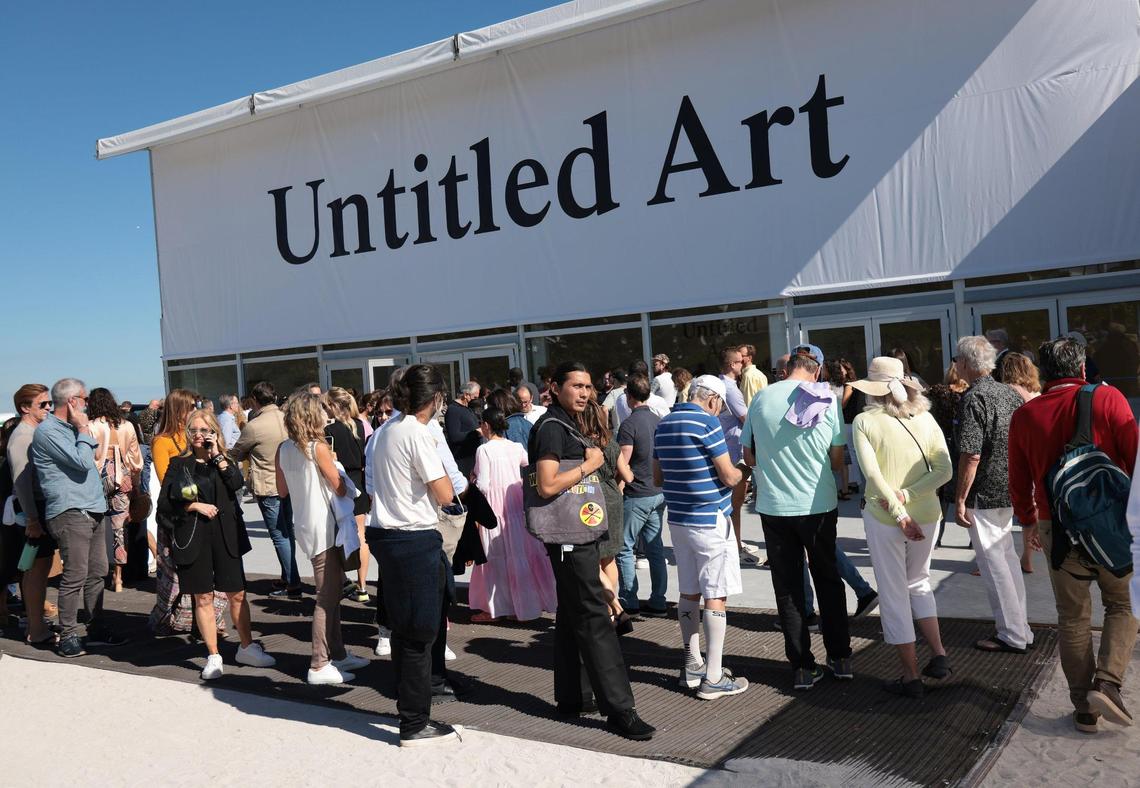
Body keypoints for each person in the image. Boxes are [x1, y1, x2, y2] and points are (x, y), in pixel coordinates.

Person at [1010, 337, 1138, 734]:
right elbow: (1134, 456)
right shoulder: (1108, 398)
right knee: (1123, 604)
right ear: (1082, 368)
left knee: (1072, 616)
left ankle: (1084, 708)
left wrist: (1030, 522)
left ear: (1043, 375)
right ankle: (1108, 682)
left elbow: (1019, 481)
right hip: (1109, 523)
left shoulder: (1026, 415)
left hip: (1056, 527)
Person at [529, 361, 654, 740]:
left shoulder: (565, 423)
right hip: (569, 536)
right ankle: (620, 710)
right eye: (576, 386)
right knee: (595, 618)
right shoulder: (551, 428)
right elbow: (546, 486)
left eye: (588, 386)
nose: (584, 393)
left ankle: (574, 697)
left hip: (577, 533)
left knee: (572, 613)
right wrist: (590, 467)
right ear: (555, 387)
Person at [742, 345, 854, 690]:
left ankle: (802, 666)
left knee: (788, 587)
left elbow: (748, 455)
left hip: (775, 507)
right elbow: (837, 461)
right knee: (828, 580)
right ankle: (840, 657)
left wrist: (774, 467)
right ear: (816, 371)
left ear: (787, 368)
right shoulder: (826, 399)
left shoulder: (760, 399)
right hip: (817, 504)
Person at [850, 357, 953, 698]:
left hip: (886, 517)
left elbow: (873, 476)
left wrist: (899, 511)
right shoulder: (925, 417)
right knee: (919, 582)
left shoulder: (865, 421)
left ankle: (910, 677)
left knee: (894, 593)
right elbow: (944, 470)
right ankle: (939, 655)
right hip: (928, 512)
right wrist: (910, 498)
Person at [368, 364, 459, 746]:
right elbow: (444, 492)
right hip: (412, 536)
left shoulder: (386, 428)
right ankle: (414, 721)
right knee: (420, 633)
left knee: (406, 630)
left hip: (387, 534)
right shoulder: (417, 433)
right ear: (434, 398)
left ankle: (411, 714)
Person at [157, 409, 276, 679]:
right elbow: (164, 505)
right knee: (203, 597)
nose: (199, 436)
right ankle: (213, 655)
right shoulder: (179, 464)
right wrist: (194, 505)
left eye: (205, 430)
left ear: (215, 433)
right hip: (194, 537)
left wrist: (218, 457)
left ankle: (246, 646)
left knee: (237, 594)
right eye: (194, 431)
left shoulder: (224, 461)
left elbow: (237, 484)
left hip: (226, 535)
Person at [653, 375, 748, 700]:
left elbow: (657, 476)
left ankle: (692, 663)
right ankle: (713, 675)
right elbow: (728, 474)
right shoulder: (708, 424)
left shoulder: (663, 424)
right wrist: (742, 472)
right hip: (710, 519)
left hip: (678, 519)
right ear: (713, 400)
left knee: (689, 592)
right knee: (716, 595)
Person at [276, 392, 369, 685]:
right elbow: (341, 488)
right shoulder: (317, 448)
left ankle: (337, 653)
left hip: (306, 524)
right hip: (327, 527)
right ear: (311, 417)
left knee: (331, 594)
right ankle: (319, 662)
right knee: (327, 597)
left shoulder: (284, 449)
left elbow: (282, 492)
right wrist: (336, 466)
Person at [31, 378, 124, 656]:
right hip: (70, 512)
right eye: (84, 398)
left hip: (93, 508)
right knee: (75, 575)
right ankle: (68, 634)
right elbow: (84, 461)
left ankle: (95, 627)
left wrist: (82, 429)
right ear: (72, 401)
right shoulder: (49, 431)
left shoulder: (71, 429)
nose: (88, 403)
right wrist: (83, 427)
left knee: (97, 572)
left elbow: (92, 451)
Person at [953, 336, 1034, 654]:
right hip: (1010, 485)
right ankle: (1020, 628)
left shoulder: (975, 397)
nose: (955, 365)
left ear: (967, 363)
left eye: (957, 359)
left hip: (986, 491)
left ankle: (1012, 632)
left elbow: (971, 454)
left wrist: (961, 498)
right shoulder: (1007, 392)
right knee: (1007, 559)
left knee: (994, 563)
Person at [469, 407, 557, 622]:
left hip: (494, 509)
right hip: (516, 505)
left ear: (487, 426)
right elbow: (529, 469)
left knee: (496, 558)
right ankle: (524, 607)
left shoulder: (485, 450)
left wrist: (470, 485)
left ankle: (498, 609)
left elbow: (483, 485)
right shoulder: (516, 446)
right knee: (521, 555)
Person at [232, 381, 301, 599]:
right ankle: (289, 575)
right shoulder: (287, 418)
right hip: (290, 482)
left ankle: (292, 582)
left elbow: (237, 453)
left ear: (254, 400)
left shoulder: (255, 425)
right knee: (287, 533)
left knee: (280, 535)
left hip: (269, 485)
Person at [6, 384, 57, 646]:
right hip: (32, 514)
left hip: (37, 511)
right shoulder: (23, 436)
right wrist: (33, 520)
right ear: (26, 407)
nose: (49, 407)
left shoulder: (31, 433)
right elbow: (22, 482)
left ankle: (35, 623)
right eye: (43, 404)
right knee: (35, 570)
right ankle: (35, 627)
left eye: (49, 403)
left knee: (37, 568)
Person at [615, 373, 667, 617]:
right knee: (655, 547)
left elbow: (623, 463)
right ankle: (658, 601)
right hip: (658, 491)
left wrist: (619, 487)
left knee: (625, 547)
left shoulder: (628, 425)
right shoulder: (658, 420)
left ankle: (629, 600)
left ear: (629, 397)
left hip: (637, 494)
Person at [579, 396, 630, 632]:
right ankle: (612, 604)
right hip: (613, 497)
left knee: (591, 557)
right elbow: (627, 476)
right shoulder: (611, 442)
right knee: (609, 557)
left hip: (591, 501)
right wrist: (617, 487)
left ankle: (611, 607)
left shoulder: (582, 444)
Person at [86, 387, 143, 594]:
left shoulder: (90, 426)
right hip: (123, 479)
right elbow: (136, 459)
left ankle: (97, 572)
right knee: (120, 530)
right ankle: (118, 577)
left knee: (95, 527)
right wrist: (134, 483)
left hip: (97, 480)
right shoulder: (127, 425)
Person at [324, 387, 372, 604]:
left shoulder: (330, 431)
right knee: (361, 535)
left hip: (341, 482)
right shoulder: (361, 425)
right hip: (359, 482)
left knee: (339, 534)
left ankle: (343, 578)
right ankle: (363, 586)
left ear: (333, 407)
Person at [716, 347, 754, 565]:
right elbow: (746, 418)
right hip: (734, 454)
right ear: (731, 365)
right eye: (740, 361)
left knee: (734, 504)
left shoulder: (725, 386)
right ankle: (734, 547)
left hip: (731, 450)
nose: (744, 364)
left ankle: (735, 544)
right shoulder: (730, 388)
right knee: (734, 504)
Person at [444, 381, 482, 477]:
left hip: (472, 458)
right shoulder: (453, 410)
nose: (476, 400)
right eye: (475, 397)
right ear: (466, 395)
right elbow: (454, 436)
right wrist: (475, 433)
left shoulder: (467, 408)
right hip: (463, 461)